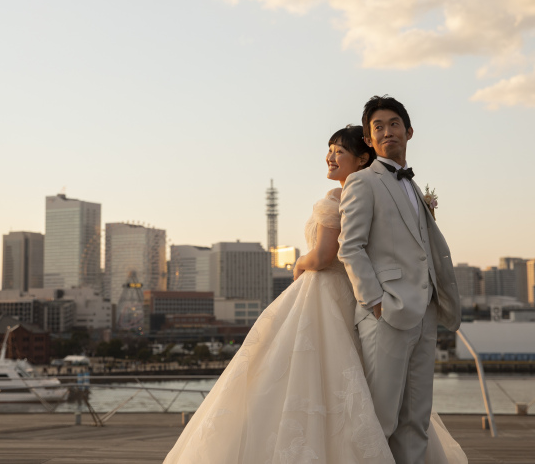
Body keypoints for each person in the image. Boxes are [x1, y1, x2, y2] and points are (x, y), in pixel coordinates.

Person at [164, 124, 466, 463]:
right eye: (330, 150)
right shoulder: (372, 195)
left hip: (325, 293)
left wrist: (298, 264)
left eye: (340, 152)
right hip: (352, 295)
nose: (331, 157)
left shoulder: (338, 197)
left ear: (363, 158)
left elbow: (324, 256)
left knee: (301, 381)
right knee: (362, 386)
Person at [339, 96, 462, 464]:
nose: (387, 131)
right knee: (380, 418)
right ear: (368, 137)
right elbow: (351, 247)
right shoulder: (363, 182)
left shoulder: (413, 186)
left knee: (416, 419)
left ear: (408, 132)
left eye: (394, 124)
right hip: (387, 313)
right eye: (378, 126)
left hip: (424, 314)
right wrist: (376, 302)